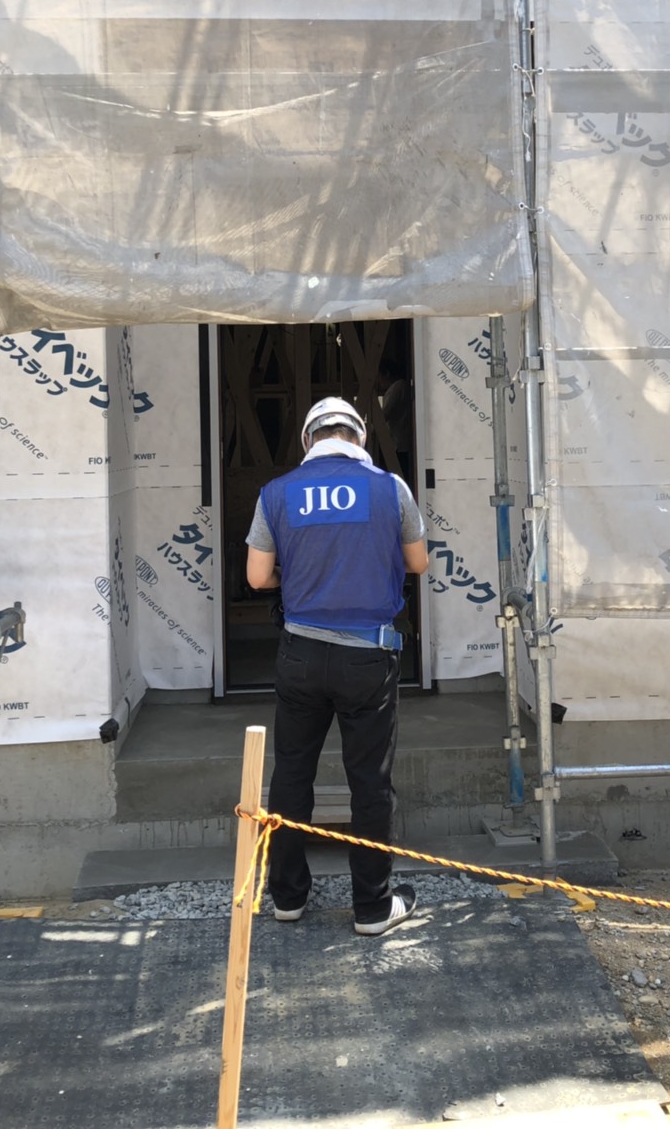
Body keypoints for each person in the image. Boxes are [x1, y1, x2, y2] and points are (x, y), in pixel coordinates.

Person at [245, 396, 429, 936]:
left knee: (292, 775)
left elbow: (257, 577)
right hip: (368, 656)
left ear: (307, 441)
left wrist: (295, 577)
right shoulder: (389, 488)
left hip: (300, 654)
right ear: (359, 437)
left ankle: (286, 898)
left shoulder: (276, 494)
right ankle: (372, 908)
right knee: (369, 783)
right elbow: (417, 562)